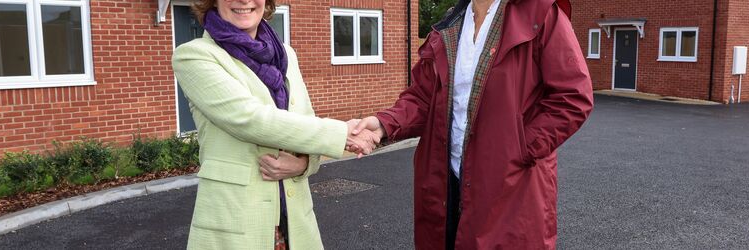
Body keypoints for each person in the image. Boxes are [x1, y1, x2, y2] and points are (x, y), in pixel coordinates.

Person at [349, 0, 593, 248]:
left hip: (510, 185)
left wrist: (520, 148)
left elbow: (572, 97)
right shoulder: (451, 23)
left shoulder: (540, 13)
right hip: (446, 181)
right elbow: (422, 97)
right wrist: (383, 124)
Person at [171, 0, 380, 249]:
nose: (244, 1)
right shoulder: (195, 55)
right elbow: (249, 119)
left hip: (294, 222)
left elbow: (305, 123)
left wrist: (303, 164)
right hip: (236, 222)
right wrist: (343, 133)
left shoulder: (286, 55)